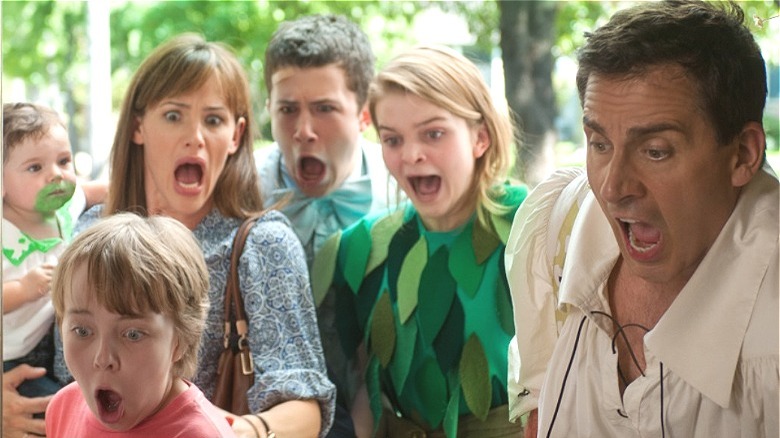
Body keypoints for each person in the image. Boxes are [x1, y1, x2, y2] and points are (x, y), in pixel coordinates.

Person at [506, 1, 778, 437]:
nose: (614, 187)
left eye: (656, 151)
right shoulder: (556, 232)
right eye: (599, 143)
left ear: (744, 153)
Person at [52, 33, 335, 438]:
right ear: (137, 126)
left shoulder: (262, 244)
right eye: (173, 115)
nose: (195, 136)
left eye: (214, 120)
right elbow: (41, 361)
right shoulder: (87, 233)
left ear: (235, 137)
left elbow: (306, 403)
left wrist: (232, 432)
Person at [313, 45, 528, 438]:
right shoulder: (359, 249)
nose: (411, 155)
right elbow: (360, 388)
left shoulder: (531, 226)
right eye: (392, 140)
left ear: (480, 138)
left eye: (433, 133)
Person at [255, 14, 398, 438]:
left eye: (324, 109)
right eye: (287, 110)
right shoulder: (239, 192)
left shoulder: (404, 190)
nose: (303, 131)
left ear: (365, 114)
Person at [45, 213, 234, 437]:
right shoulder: (63, 408)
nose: (103, 359)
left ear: (181, 338)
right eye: (82, 331)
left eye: (133, 334)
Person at [2, 102, 107, 434]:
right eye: (35, 168)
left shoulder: (63, 212)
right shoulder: (5, 236)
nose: (56, 175)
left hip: (43, 350)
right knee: (57, 417)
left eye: (64, 161)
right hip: (11, 360)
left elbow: (93, 192)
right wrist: (20, 290)